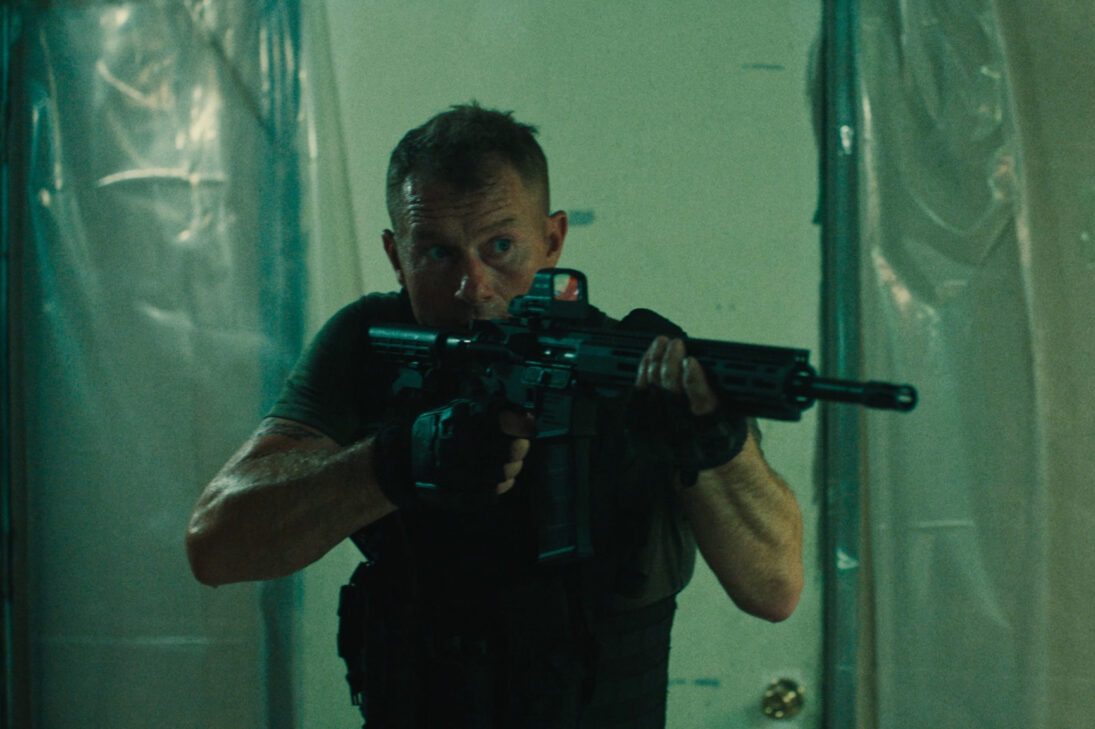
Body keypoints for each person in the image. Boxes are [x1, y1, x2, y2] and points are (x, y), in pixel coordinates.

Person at [185, 103, 803, 728]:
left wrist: (718, 448)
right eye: (437, 253)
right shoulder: (369, 344)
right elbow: (215, 544)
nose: (474, 287)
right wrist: (398, 461)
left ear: (553, 240)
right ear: (396, 255)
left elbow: (775, 589)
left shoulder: (639, 366)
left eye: (501, 246)